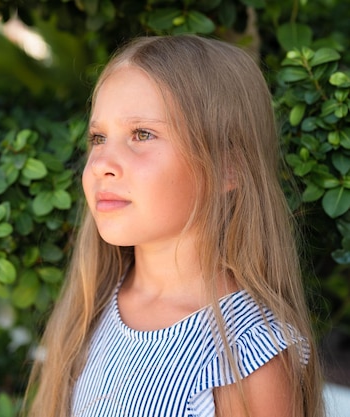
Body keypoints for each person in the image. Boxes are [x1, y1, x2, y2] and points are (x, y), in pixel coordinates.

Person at [24, 35, 324, 417]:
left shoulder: (247, 353)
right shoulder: (94, 306)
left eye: (142, 134)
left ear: (227, 166)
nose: (101, 163)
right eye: (98, 138)